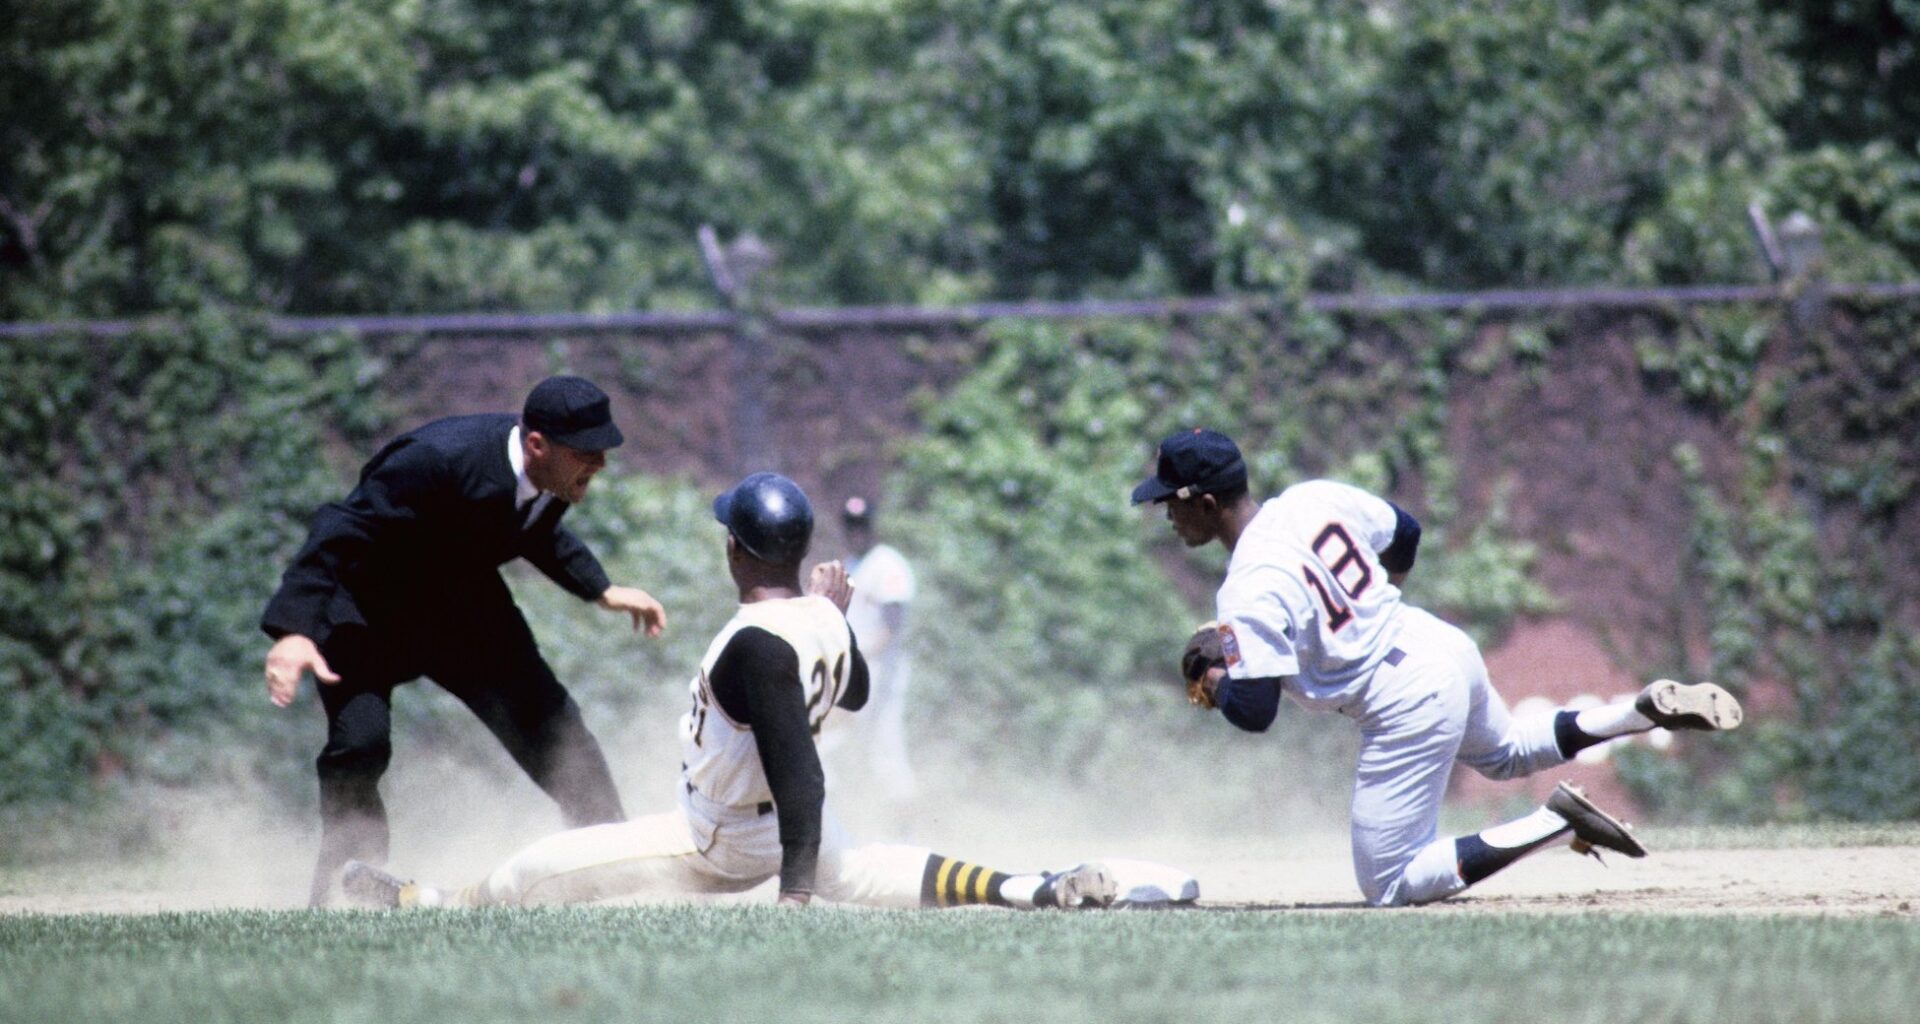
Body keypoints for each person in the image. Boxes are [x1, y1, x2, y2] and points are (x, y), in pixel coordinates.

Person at [339, 472, 1194, 911]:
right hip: (796, 835)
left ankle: (431, 901)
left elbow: (799, 770)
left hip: (718, 841)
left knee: (538, 867)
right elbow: (853, 695)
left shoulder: (751, 640)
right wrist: (837, 617)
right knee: (907, 875)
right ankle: (1035, 889)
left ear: (739, 554)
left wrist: (793, 897)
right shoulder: (823, 615)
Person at [1133, 428, 1743, 908]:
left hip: (1399, 696)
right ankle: (1636, 712)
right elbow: (1406, 531)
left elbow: (1256, 711)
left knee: (1391, 884)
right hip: (1433, 640)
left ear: (1206, 504)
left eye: (1170, 503)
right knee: (1506, 753)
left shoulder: (1246, 587)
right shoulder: (1313, 498)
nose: (1165, 515)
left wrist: (1212, 678)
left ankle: (1555, 824)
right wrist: (1374, 603)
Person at [260, 375, 669, 907]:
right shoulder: (435, 459)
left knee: (551, 725)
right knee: (358, 746)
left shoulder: (553, 477)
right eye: (586, 452)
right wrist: (293, 630)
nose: (600, 464)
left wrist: (601, 588)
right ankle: (347, 885)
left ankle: (613, 865)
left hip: (463, 610)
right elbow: (341, 526)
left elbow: (535, 529)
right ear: (537, 444)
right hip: (366, 611)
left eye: (603, 451)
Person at [823, 495, 918, 802]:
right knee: (833, 747)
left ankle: (907, 836)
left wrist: (853, 663)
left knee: (884, 754)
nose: (856, 532)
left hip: (880, 677)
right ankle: (845, 825)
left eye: (861, 525)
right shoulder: (851, 566)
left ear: (872, 526)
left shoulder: (887, 564)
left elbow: (891, 628)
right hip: (855, 674)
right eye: (851, 525)